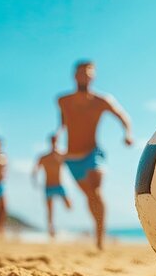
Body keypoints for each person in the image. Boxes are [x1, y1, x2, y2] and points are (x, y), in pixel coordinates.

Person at [54, 60, 133, 249]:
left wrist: (128, 133)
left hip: (93, 153)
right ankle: (97, 228)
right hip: (72, 158)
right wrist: (56, 141)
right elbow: (62, 125)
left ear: (93, 76)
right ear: (75, 75)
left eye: (88, 72)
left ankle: (100, 235)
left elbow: (123, 116)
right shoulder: (62, 100)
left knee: (96, 189)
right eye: (81, 72)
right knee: (90, 196)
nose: (84, 75)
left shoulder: (102, 101)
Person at [32, 135, 72, 239]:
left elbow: (72, 163)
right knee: (50, 210)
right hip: (48, 186)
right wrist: (35, 180)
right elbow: (35, 169)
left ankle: (67, 227)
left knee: (69, 206)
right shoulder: (44, 157)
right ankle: (51, 231)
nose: (54, 142)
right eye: (53, 140)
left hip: (59, 185)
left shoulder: (61, 155)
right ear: (50, 141)